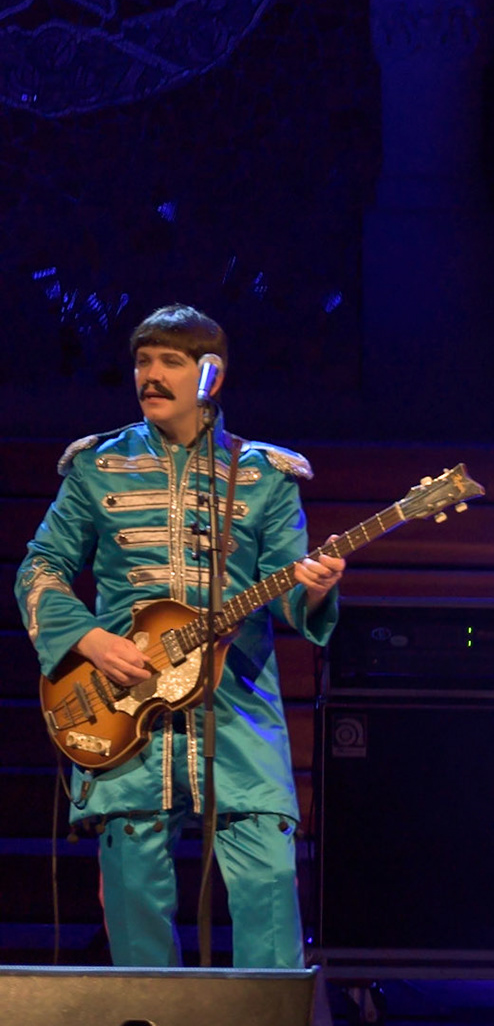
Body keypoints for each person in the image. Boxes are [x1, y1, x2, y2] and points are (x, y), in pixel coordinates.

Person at [14, 306, 345, 968]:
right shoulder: (97, 466)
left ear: (210, 374)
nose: (151, 375)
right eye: (143, 361)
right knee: (134, 897)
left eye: (171, 361)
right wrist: (89, 640)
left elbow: (288, 587)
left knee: (269, 880)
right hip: (122, 703)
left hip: (237, 705)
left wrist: (314, 587)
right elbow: (40, 568)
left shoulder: (263, 474)